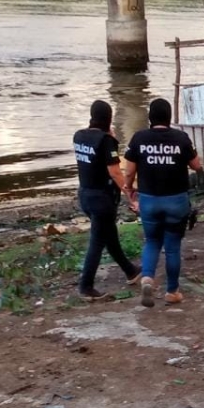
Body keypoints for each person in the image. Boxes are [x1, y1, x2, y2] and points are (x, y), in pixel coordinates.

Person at [123, 98, 202, 307]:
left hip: (149, 200)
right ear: (169, 118)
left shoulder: (139, 138)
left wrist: (128, 189)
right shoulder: (181, 138)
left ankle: (148, 277)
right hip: (176, 201)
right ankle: (172, 291)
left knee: (152, 241)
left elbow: (129, 171)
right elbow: (197, 166)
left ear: (150, 118)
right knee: (173, 247)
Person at [72, 100, 141, 301]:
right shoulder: (106, 141)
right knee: (97, 241)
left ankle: (130, 271)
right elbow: (114, 172)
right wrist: (129, 192)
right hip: (101, 199)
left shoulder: (79, 136)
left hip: (85, 194)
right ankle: (86, 286)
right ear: (109, 119)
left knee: (109, 236)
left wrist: (108, 138)